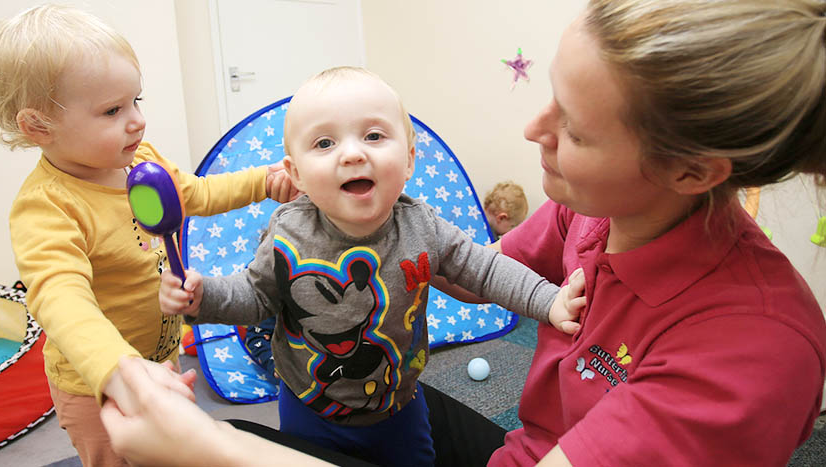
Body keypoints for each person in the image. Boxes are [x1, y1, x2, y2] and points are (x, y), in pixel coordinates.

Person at [102, 0, 826, 465]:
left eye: (571, 127)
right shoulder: (596, 212)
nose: (530, 128)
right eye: (548, 97)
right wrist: (372, 225)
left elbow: (477, 272)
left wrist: (204, 446)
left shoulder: (752, 351)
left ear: (693, 171)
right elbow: (471, 270)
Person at [158, 66, 586, 466]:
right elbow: (254, 297)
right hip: (308, 405)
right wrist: (202, 297)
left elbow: (487, 269)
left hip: (398, 404)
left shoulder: (422, 225)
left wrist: (548, 300)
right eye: (324, 143)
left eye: (375, 136)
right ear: (297, 174)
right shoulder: (289, 232)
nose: (352, 154)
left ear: (411, 159)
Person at [0, 4, 297, 466]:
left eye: (135, 101)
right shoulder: (47, 206)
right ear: (38, 126)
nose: (136, 120)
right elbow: (60, 297)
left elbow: (196, 193)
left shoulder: (139, 160)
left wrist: (262, 181)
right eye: (112, 110)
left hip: (161, 357)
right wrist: (118, 371)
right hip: (98, 383)